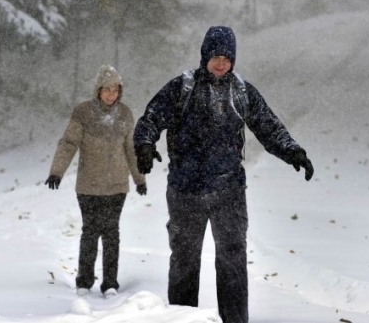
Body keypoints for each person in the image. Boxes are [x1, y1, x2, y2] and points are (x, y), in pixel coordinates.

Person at [133, 26, 314, 323]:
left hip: (228, 191)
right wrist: (143, 144)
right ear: (205, 55)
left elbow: (268, 126)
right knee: (184, 261)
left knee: (232, 261)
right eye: (216, 56)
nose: (221, 63)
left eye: (227, 58)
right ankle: (182, 318)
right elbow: (151, 117)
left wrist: (292, 151)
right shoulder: (183, 88)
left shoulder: (241, 92)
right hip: (185, 191)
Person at [45, 64, 147, 299]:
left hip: (116, 187)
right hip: (89, 186)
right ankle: (84, 281)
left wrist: (139, 178)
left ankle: (110, 283)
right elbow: (68, 143)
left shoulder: (125, 114)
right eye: (106, 89)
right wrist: (56, 172)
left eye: (115, 89)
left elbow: (131, 149)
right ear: (98, 90)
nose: (111, 94)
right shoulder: (83, 113)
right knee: (90, 231)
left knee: (111, 232)